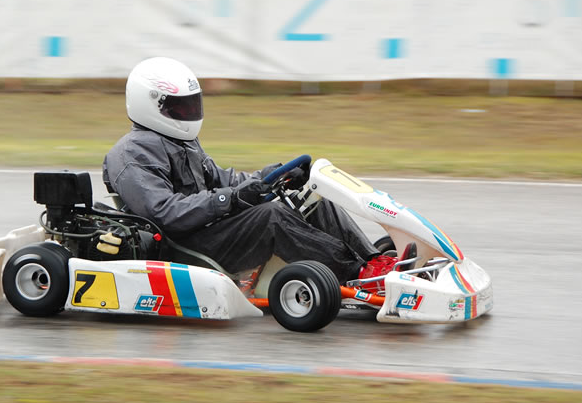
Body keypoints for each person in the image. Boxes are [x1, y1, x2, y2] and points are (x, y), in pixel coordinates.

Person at [102, 57, 396, 286]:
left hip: (209, 232)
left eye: (191, 105)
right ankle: (358, 273)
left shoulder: (179, 141)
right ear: (151, 103)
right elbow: (165, 213)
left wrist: (268, 176)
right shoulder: (131, 155)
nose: (188, 114)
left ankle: (373, 261)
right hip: (184, 248)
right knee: (271, 217)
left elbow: (222, 180)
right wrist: (229, 199)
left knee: (312, 200)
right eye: (179, 108)